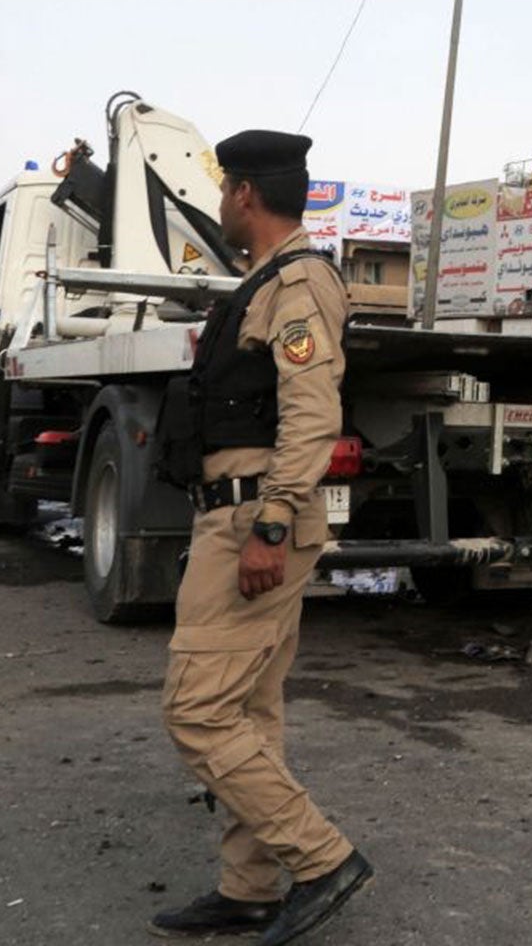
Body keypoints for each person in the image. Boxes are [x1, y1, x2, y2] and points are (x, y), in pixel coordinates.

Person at [153, 130, 372, 944]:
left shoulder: (300, 282)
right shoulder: (267, 282)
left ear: (245, 194)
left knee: (197, 710)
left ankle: (322, 859)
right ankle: (248, 888)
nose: (219, 205)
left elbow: (313, 411)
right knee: (249, 709)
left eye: (223, 192)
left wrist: (272, 522)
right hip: (240, 508)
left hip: (255, 515)